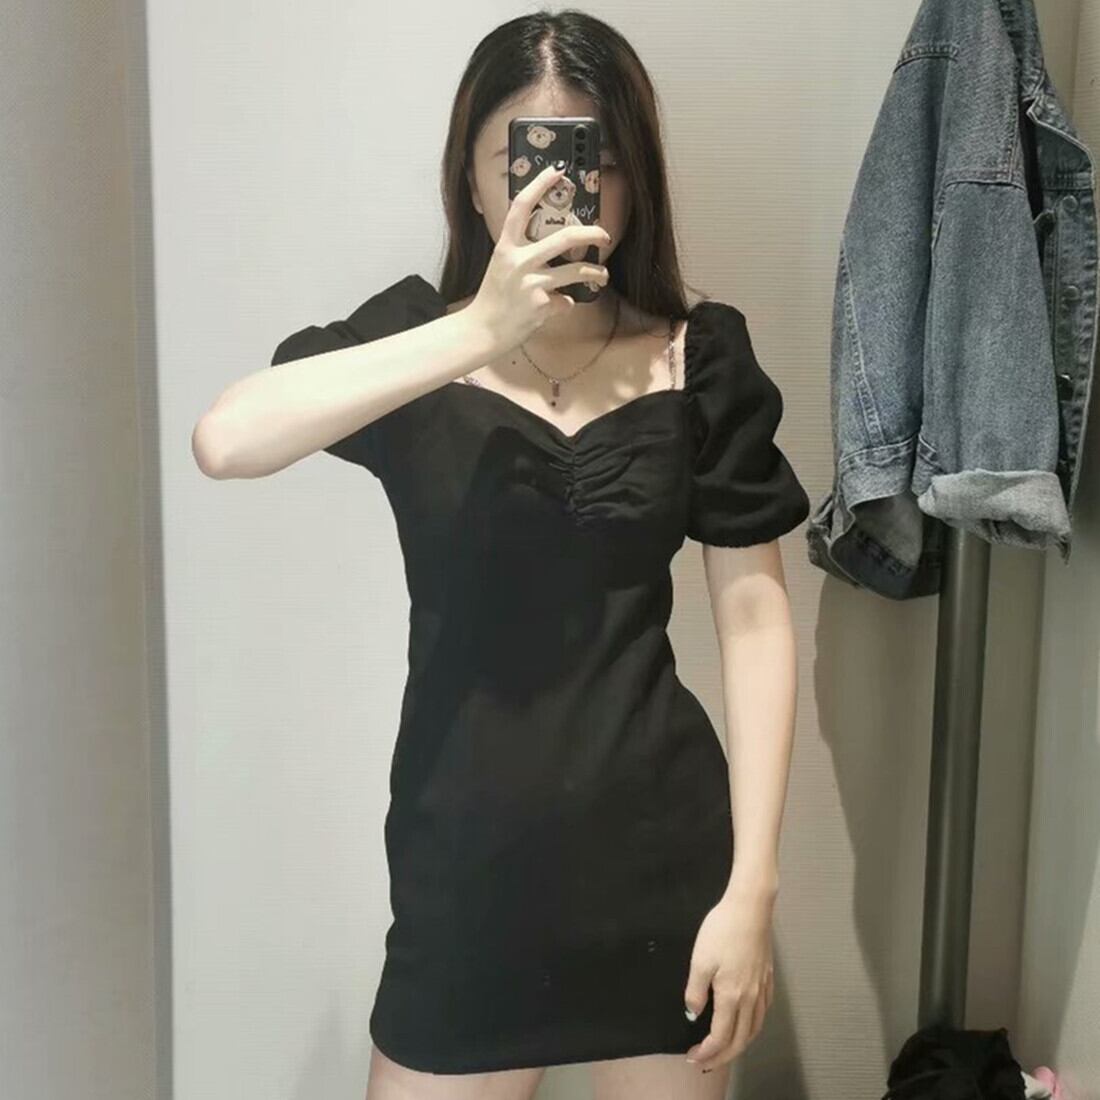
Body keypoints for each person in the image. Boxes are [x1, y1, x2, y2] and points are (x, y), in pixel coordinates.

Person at [194, 10, 809, 1099]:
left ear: (635, 178)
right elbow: (226, 440)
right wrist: (477, 330)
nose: (567, 191)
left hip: (660, 863)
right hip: (462, 867)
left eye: (596, 162)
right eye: (525, 159)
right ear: (475, 182)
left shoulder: (698, 357)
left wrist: (751, 888)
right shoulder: (413, 344)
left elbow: (755, 619)